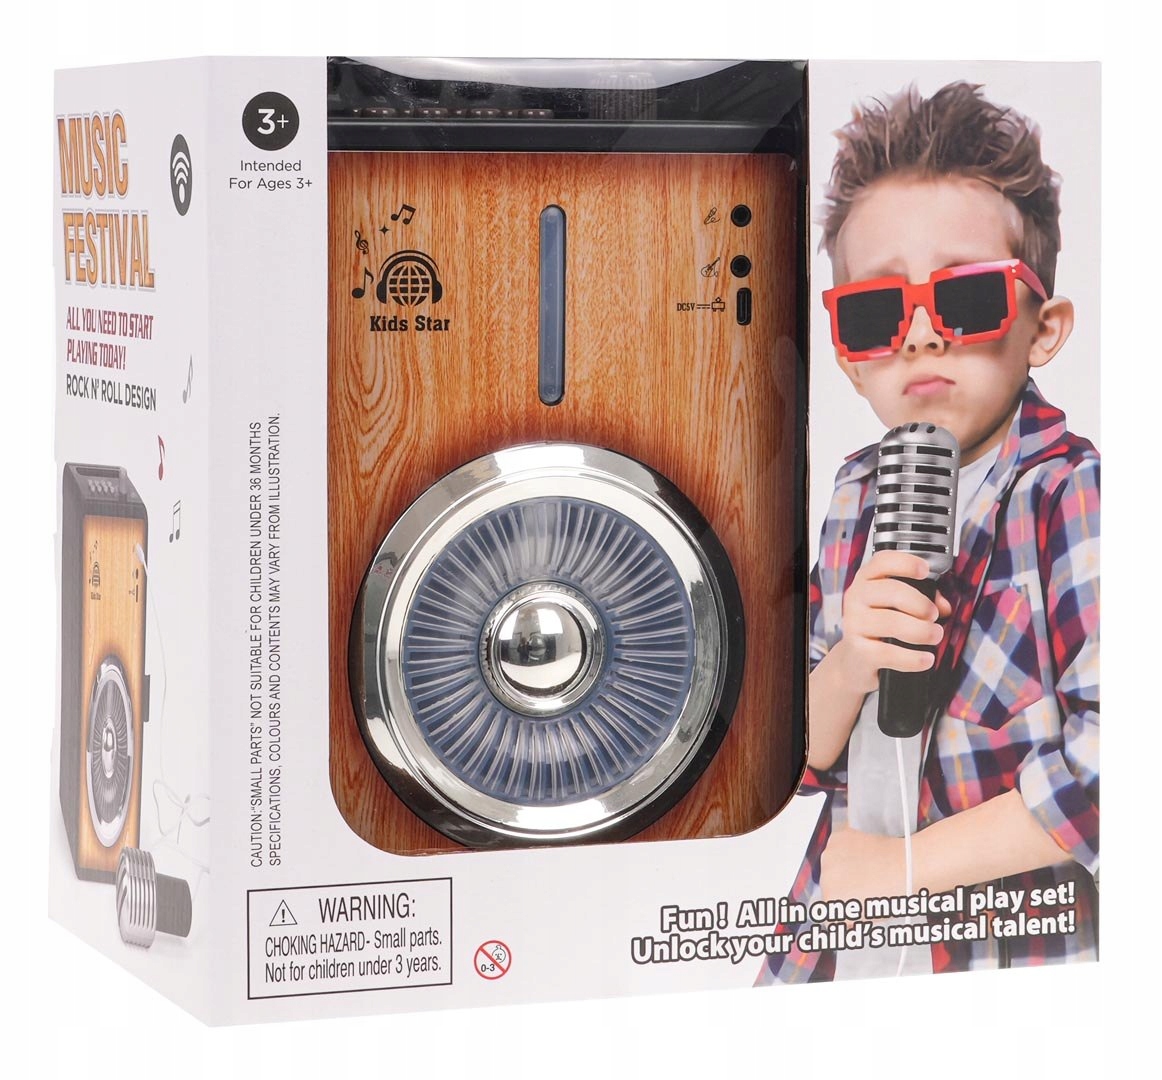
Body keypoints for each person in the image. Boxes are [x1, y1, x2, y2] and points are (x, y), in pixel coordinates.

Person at [759, 81, 1099, 983]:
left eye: (968, 298)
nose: (918, 335)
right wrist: (850, 663)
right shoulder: (854, 496)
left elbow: (1116, 772)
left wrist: (904, 870)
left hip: (1006, 956)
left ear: (1043, 329)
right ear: (846, 354)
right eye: (877, 312)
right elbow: (784, 761)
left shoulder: (1074, 499)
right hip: (844, 948)